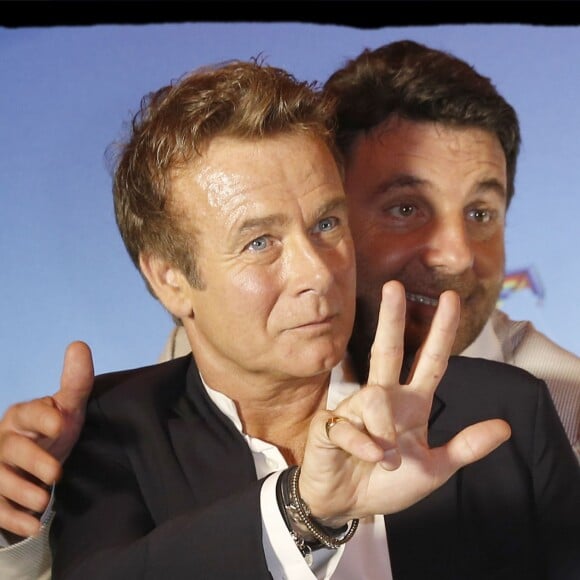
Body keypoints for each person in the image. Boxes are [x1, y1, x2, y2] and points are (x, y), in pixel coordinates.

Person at [1, 42, 580, 578]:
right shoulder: (112, 430)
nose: (319, 272)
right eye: (260, 241)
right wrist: (303, 513)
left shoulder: (513, 406)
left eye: (327, 224)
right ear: (169, 278)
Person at [161, 40, 580, 461]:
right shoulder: (205, 363)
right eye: (406, 209)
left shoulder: (567, 407)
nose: (456, 256)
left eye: (481, 214)